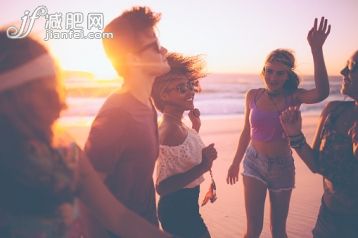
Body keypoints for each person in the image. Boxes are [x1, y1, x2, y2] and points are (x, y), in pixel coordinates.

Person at [0, 31, 173, 238]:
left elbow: (118, 218)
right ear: (11, 99)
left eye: (59, 91)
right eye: (48, 95)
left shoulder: (64, 155)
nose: (61, 106)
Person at [226, 17, 331, 238]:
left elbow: (321, 93)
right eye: (269, 71)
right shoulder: (253, 95)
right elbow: (247, 131)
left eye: (280, 73)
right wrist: (235, 162)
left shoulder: (294, 97)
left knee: (279, 231)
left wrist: (316, 50)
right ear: (263, 70)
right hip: (253, 162)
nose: (273, 77)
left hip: (282, 166)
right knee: (252, 230)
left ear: (288, 75)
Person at [83, 6, 170, 237]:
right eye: (154, 46)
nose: (164, 50)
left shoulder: (146, 104)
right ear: (132, 59)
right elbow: (86, 197)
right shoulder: (117, 116)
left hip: (146, 226)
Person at [280, 50, 358, 238]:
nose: (342, 72)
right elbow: (316, 164)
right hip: (328, 219)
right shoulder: (333, 111)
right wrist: (294, 134)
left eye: (351, 67)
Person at [151, 53, 218, 238]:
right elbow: (162, 188)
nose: (190, 91)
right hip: (177, 211)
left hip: (187, 208)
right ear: (164, 95)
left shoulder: (178, 123)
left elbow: (182, 157)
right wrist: (204, 166)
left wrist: (196, 128)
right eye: (182, 88)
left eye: (189, 85)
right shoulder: (169, 129)